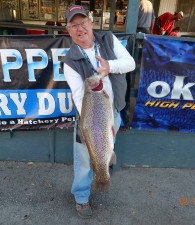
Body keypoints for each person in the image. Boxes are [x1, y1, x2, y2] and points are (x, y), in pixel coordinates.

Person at [62, 5, 135, 219]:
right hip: (89, 118)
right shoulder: (69, 61)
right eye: (74, 25)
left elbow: (130, 63)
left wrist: (109, 67)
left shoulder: (109, 40)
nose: (80, 28)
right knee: (84, 159)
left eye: (82, 22)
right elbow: (78, 95)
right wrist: (91, 121)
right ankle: (81, 198)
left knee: (105, 150)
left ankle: (102, 175)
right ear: (69, 30)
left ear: (90, 22)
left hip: (113, 112)